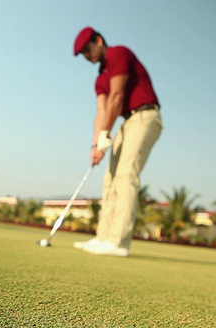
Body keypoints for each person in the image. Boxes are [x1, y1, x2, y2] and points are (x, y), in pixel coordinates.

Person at [72, 26, 162, 257]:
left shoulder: (118, 54)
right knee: (110, 180)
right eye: (83, 54)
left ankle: (119, 242)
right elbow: (101, 112)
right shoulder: (100, 79)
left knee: (125, 175)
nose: (87, 56)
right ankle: (103, 238)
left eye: (87, 49)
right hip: (126, 122)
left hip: (145, 116)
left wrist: (105, 134)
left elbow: (117, 96)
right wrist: (96, 144)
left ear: (99, 40)